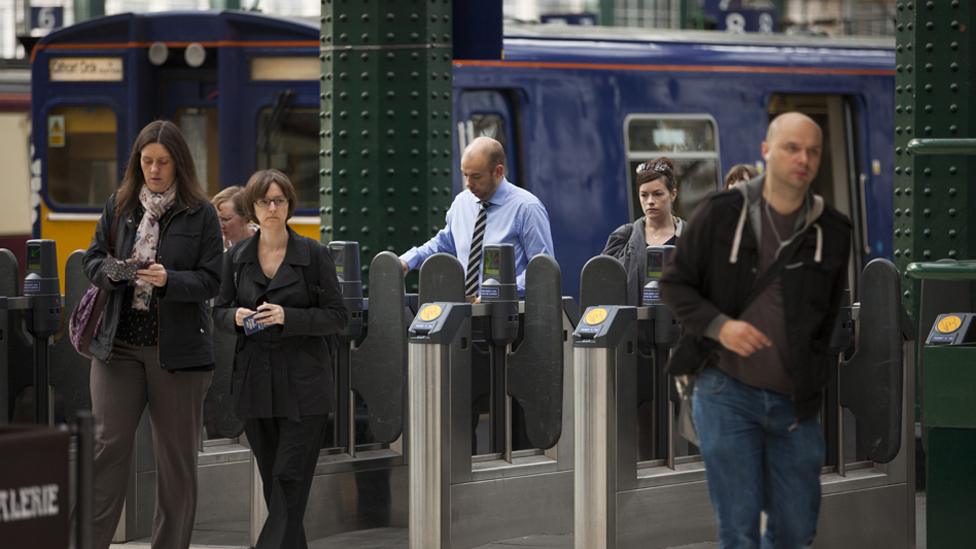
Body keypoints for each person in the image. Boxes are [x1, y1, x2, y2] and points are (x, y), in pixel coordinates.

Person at [660, 112, 851, 548]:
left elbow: (828, 314)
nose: (803, 158)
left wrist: (813, 373)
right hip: (726, 393)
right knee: (739, 527)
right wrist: (719, 327)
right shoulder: (722, 214)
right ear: (766, 152)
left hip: (794, 403)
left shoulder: (833, 230)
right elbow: (674, 283)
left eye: (813, 150)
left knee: (796, 529)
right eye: (791, 147)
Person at [82, 120, 223, 549]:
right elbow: (91, 260)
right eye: (147, 162)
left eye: (162, 162)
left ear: (178, 163)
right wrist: (114, 271)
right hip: (118, 347)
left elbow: (213, 281)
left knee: (175, 463)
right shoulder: (119, 205)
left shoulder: (201, 214)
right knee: (107, 450)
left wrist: (170, 280)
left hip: (177, 352)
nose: (155, 170)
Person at [214, 169, 347, 549]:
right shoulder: (237, 258)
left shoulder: (314, 255)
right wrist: (234, 318)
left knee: (289, 478)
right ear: (252, 208)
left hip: (304, 386)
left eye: (279, 201)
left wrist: (290, 317)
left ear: (289, 205)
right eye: (264, 201)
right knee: (276, 484)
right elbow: (218, 311)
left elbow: (337, 317)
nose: (272, 208)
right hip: (256, 384)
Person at [398, 136, 555, 298]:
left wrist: (497, 293)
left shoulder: (527, 208)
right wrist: (407, 261)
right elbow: (443, 244)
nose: (468, 184)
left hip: (510, 315)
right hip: (467, 314)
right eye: (465, 175)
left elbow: (543, 270)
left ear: (498, 172)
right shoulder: (461, 203)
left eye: (476, 177)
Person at [602, 156, 686, 306]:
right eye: (644, 195)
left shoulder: (692, 237)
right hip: (635, 327)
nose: (650, 201)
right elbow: (605, 287)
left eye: (658, 194)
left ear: (673, 194)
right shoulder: (622, 239)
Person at [211, 185, 254, 250]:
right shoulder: (213, 246)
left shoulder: (265, 241)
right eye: (216, 219)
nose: (220, 225)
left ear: (245, 216)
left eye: (225, 219)